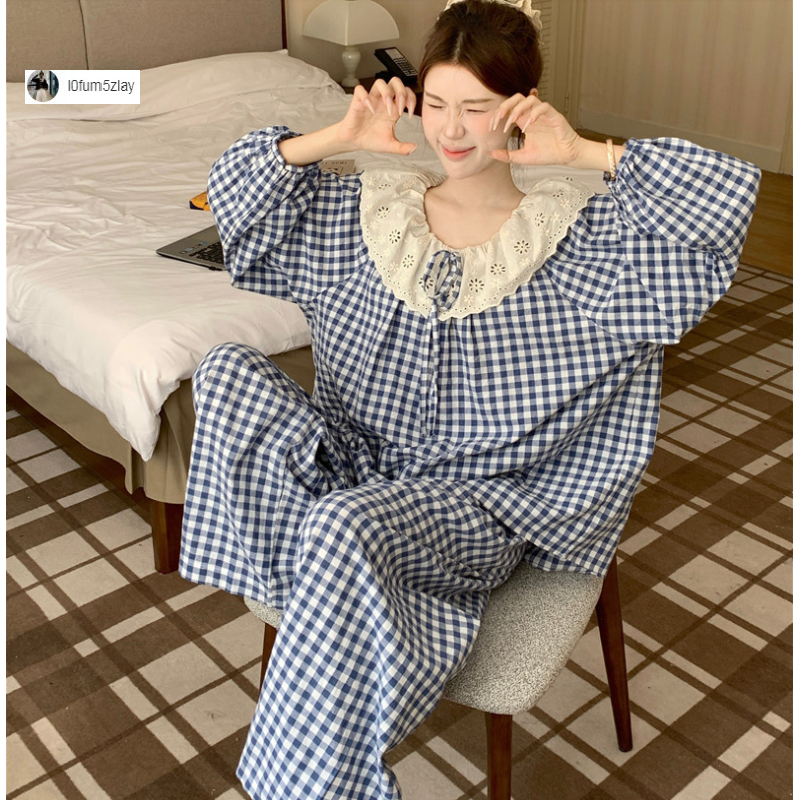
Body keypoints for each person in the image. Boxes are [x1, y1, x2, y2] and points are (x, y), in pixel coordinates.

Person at [179, 0, 760, 797]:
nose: (450, 130)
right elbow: (232, 198)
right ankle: (342, 607)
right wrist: (338, 137)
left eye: (477, 108)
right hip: (359, 471)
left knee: (344, 524)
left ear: (520, 108)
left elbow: (722, 200)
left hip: (476, 507)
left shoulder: (576, 245)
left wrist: (583, 152)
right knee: (223, 371)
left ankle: (313, 770)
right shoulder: (364, 217)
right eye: (436, 102)